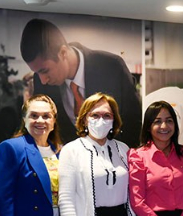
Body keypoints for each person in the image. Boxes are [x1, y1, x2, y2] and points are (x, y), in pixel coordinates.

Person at [20, 18, 142, 147]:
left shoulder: (112, 67)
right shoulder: (40, 81)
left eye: (45, 71)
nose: (43, 80)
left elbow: (133, 122)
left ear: (63, 53)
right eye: (37, 72)